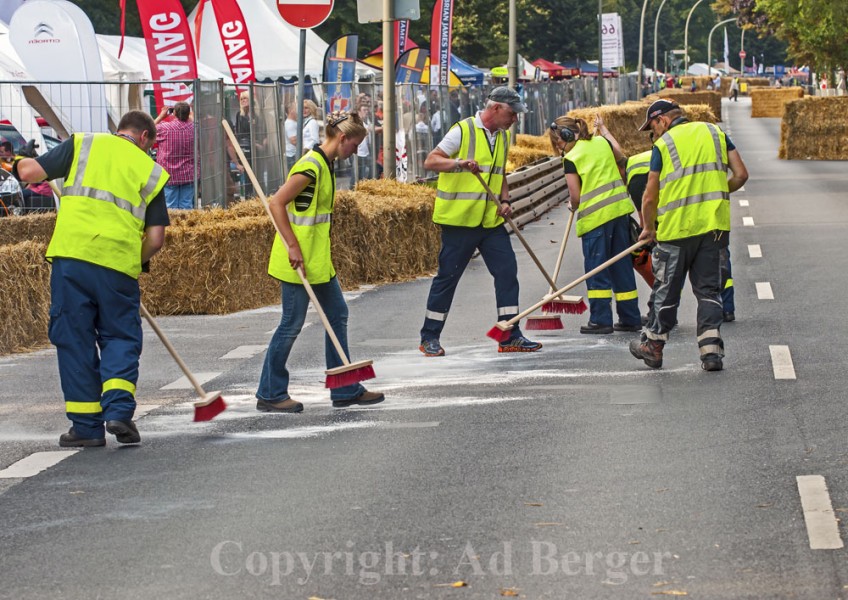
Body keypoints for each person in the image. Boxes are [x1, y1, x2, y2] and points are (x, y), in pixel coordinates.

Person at [14, 110, 170, 446]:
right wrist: (134, 261)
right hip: (117, 268)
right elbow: (156, 239)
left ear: (122, 129)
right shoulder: (151, 171)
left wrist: (14, 161)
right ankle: (118, 411)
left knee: (74, 340)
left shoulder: (82, 144)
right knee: (120, 338)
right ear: (145, 138)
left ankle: (86, 428)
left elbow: (28, 172)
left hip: (72, 260)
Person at [256, 110, 384, 412]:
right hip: (298, 260)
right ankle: (270, 392)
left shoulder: (326, 165)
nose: (354, 152)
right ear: (341, 138)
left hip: (318, 261)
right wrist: (292, 246)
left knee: (337, 314)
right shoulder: (310, 167)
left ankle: (344, 387)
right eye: (353, 146)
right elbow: (276, 203)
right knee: (291, 324)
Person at [418, 86, 542, 356]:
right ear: (496, 108)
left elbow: (500, 174)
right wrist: (460, 163)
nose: (515, 120)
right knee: (448, 278)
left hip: (489, 222)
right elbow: (431, 161)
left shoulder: (501, 137)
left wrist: (506, 202)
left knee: (507, 272)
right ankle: (429, 336)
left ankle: (510, 334)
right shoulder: (462, 131)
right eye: (511, 114)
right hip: (460, 222)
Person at [630, 100, 748, 372]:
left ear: (662, 121)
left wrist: (648, 228)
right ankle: (711, 353)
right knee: (709, 291)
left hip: (676, 230)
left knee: (666, 291)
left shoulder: (664, 144)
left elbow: (649, 196)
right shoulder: (714, 132)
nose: (654, 134)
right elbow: (741, 174)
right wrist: (717, 194)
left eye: (652, 128)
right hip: (714, 228)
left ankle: (653, 347)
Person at [553, 115, 641, 335]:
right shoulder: (601, 142)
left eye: (558, 143)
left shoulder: (572, 157)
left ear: (565, 136)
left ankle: (601, 320)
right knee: (621, 267)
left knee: (597, 269)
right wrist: (603, 129)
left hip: (596, 219)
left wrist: (573, 206)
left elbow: (576, 196)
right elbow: (620, 154)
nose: (559, 148)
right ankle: (630, 318)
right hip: (620, 213)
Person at [154, 101, 196, 209]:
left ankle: (173, 226)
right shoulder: (194, 128)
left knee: (170, 206)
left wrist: (161, 116)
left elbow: (148, 130)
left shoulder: (165, 128)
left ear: (174, 113)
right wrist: (190, 118)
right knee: (187, 205)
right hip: (189, 173)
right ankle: (186, 225)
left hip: (169, 174)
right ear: (188, 113)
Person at [232, 90, 267, 196]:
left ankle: (261, 194)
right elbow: (239, 133)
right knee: (247, 174)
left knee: (258, 172)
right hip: (245, 146)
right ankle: (248, 195)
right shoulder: (239, 115)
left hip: (258, 147)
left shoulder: (258, 114)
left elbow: (264, 131)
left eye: (245, 98)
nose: (243, 101)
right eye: (241, 99)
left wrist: (262, 143)